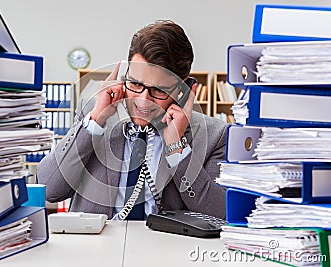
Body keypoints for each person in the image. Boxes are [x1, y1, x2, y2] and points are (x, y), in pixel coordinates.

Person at [37, 20, 228, 220]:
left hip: (166, 248)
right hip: (94, 248)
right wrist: (95, 123)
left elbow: (220, 213)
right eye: (135, 84)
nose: (143, 101)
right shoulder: (93, 112)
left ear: (182, 91)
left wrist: (176, 148)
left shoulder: (215, 135)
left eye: (158, 90)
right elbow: (49, 190)